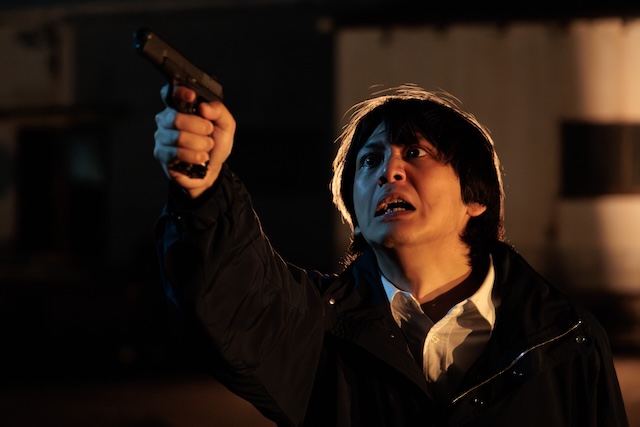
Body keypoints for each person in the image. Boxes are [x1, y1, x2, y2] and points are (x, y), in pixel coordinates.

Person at [153, 83, 629, 426]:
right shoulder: (318, 328)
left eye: (415, 152)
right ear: (356, 214)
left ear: (474, 198)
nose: (389, 171)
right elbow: (231, 298)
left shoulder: (565, 339)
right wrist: (204, 190)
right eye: (370, 160)